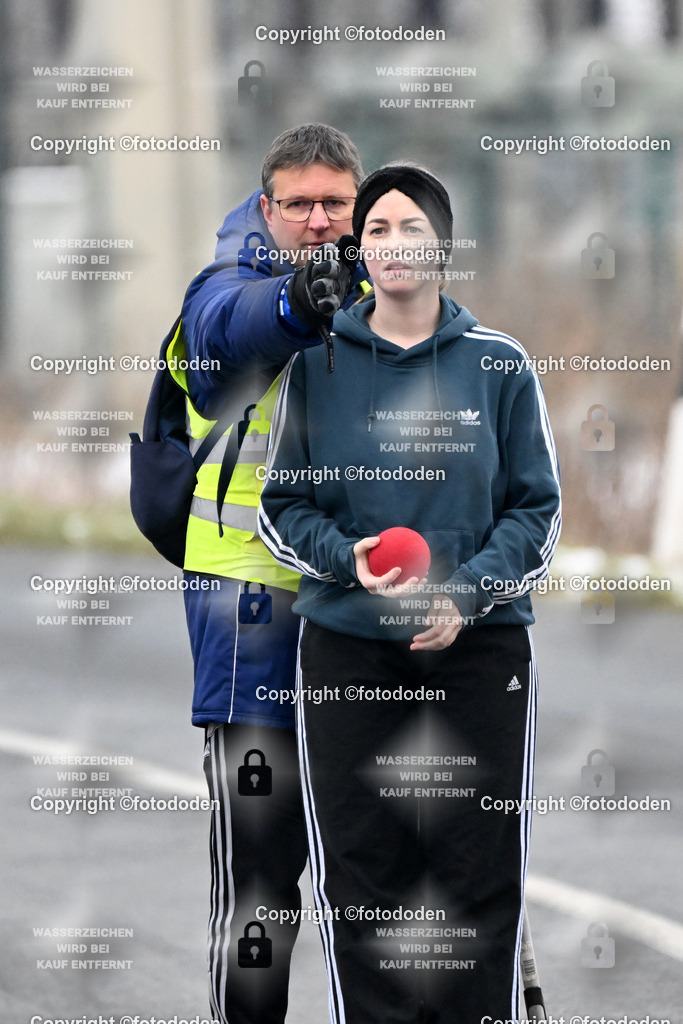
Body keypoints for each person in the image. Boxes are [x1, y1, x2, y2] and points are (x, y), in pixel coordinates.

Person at [258, 165, 561, 1023]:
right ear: (360, 248)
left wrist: (464, 595)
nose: (394, 244)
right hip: (349, 653)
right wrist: (341, 556)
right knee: (363, 874)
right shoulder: (316, 367)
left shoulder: (499, 367)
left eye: (413, 228)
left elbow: (535, 509)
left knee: (477, 873)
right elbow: (282, 505)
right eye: (379, 229)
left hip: (480, 657)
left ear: (446, 246)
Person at [171, 124, 369, 1024]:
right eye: (299, 204)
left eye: (336, 203)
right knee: (260, 893)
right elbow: (233, 332)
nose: (319, 222)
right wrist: (299, 301)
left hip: (370, 635)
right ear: (265, 209)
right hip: (253, 637)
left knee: (393, 885)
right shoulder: (223, 290)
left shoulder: (395, 298)